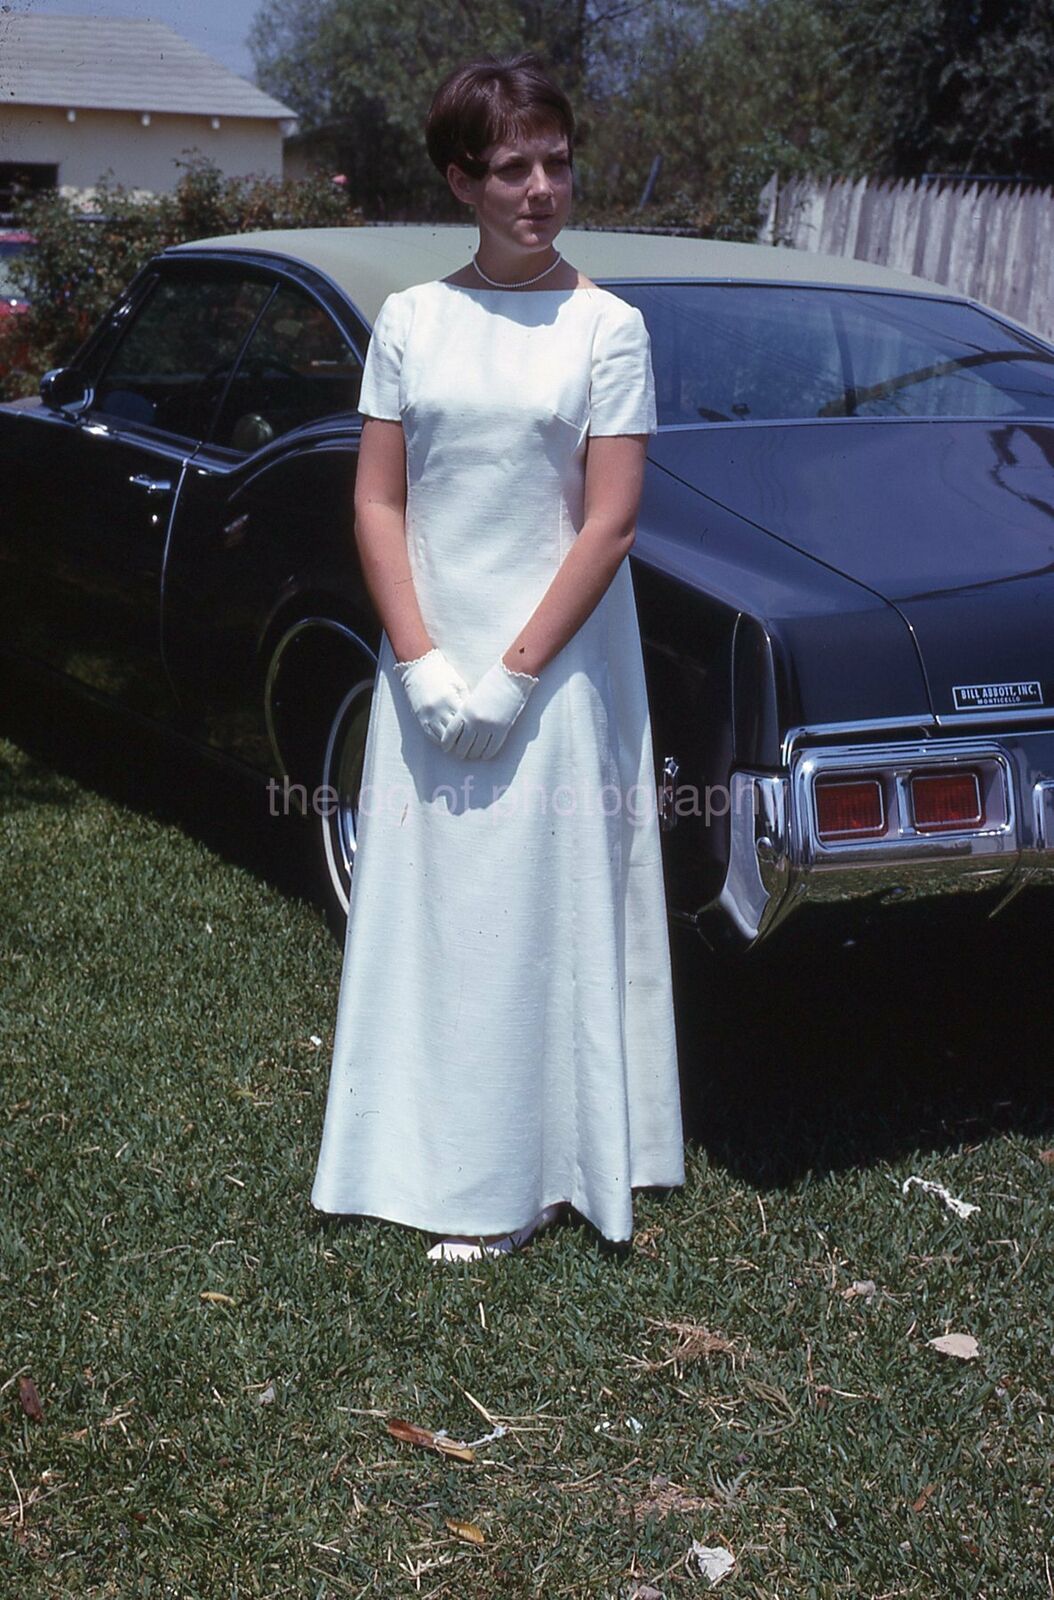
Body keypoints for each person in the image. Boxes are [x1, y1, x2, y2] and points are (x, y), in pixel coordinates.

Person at [310, 53, 685, 1261]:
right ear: (461, 179)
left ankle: (541, 1173)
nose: (539, 188)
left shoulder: (606, 328)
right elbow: (377, 502)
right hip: (429, 654)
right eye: (512, 167)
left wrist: (515, 673)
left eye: (556, 163)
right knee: (444, 911)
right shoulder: (412, 321)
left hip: (560, 665)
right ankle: (419, 1150)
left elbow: (610, 521)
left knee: (537, 907)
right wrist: (420, 666)